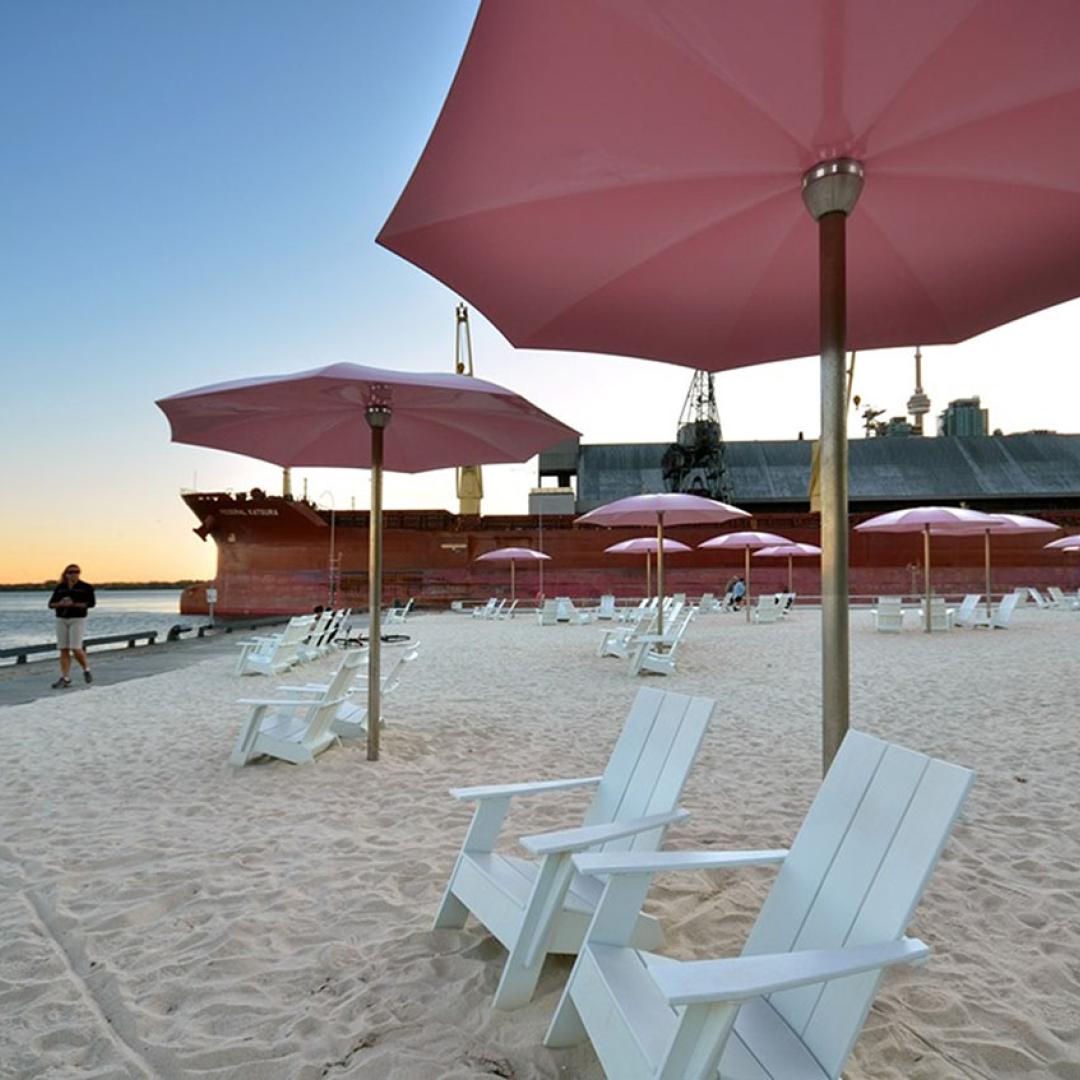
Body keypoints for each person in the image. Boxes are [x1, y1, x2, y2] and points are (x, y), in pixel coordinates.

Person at [48, 564, 96, 688]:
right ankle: (65, 677)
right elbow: (50, 604)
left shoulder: (86, 587)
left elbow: (91, 603)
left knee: (75, 647)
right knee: (63, 649)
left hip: (77, 619)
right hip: (61, 619)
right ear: (66, 573)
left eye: (76, 572)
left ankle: (86, 669)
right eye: (71, 572)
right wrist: (61, 604)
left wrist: (74, 604)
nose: (74, 574)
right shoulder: (60, 588)